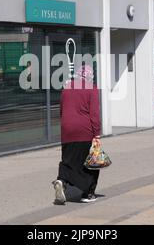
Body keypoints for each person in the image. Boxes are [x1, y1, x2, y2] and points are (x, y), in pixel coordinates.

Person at [52, 65, 101, 205]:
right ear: (90, 76)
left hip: (67, 130)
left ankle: (61, 180)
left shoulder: (67, 87)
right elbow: (94, 114)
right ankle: (88, 194)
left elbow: (61, 110)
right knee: (90, 163)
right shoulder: (91, 88)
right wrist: (96, 134)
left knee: (68, 160)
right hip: (84, 130)